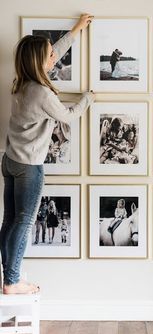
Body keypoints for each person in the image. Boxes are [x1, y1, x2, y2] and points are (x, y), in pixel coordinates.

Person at [0, 14, 94, 294]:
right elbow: (69, 115)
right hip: (29, 166)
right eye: (49, 55)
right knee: (25, 221)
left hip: (10, 161)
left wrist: (77, 30)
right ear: (40, 61)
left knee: (10, 220)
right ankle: (12, 281)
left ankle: (8, 276)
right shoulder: (42, 94)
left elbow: (55, 52)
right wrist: (89, 97)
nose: (54, 57)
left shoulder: (22, 82)